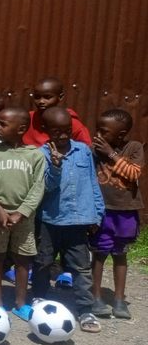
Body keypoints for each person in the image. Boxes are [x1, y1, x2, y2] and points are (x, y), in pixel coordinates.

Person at [37, 107, 105, 332]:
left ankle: (85, 309)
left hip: (78, 220)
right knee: (43, 262)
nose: (63, 135)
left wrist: (97, 212)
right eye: (56, 131)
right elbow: (45, 188)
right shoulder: (41, 154)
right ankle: (39, 297)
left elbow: (92, 182)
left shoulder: (83, 150)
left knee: (81, 267)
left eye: (67, 130)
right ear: (46, 130)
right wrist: (55, 166)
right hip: (50, 220)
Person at [0, 108, 45, 320]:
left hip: (24, 218)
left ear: (21, 128)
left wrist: (22, 213)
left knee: (23, 259)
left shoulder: (35, 155)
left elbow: (38, 187)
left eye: (3, 124)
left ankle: (20, 303)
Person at [89, 108, 143, 320]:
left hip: (126, 211)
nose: (98, 135)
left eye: (104, 131)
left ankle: (119, 299)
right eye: (97, 130)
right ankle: (95, 296)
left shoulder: (134, 147)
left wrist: (111, 153)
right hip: (102, 211)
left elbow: (133, 173)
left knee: (120, 254)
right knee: (99, 253)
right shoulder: (94, 151)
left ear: (120, 134)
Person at [24, 77, 91, 147]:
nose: (41, 101)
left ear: (60, 97)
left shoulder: (71, 123)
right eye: (37, 97)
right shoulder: (28, 119)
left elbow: (86, 149)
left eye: (47, 97)